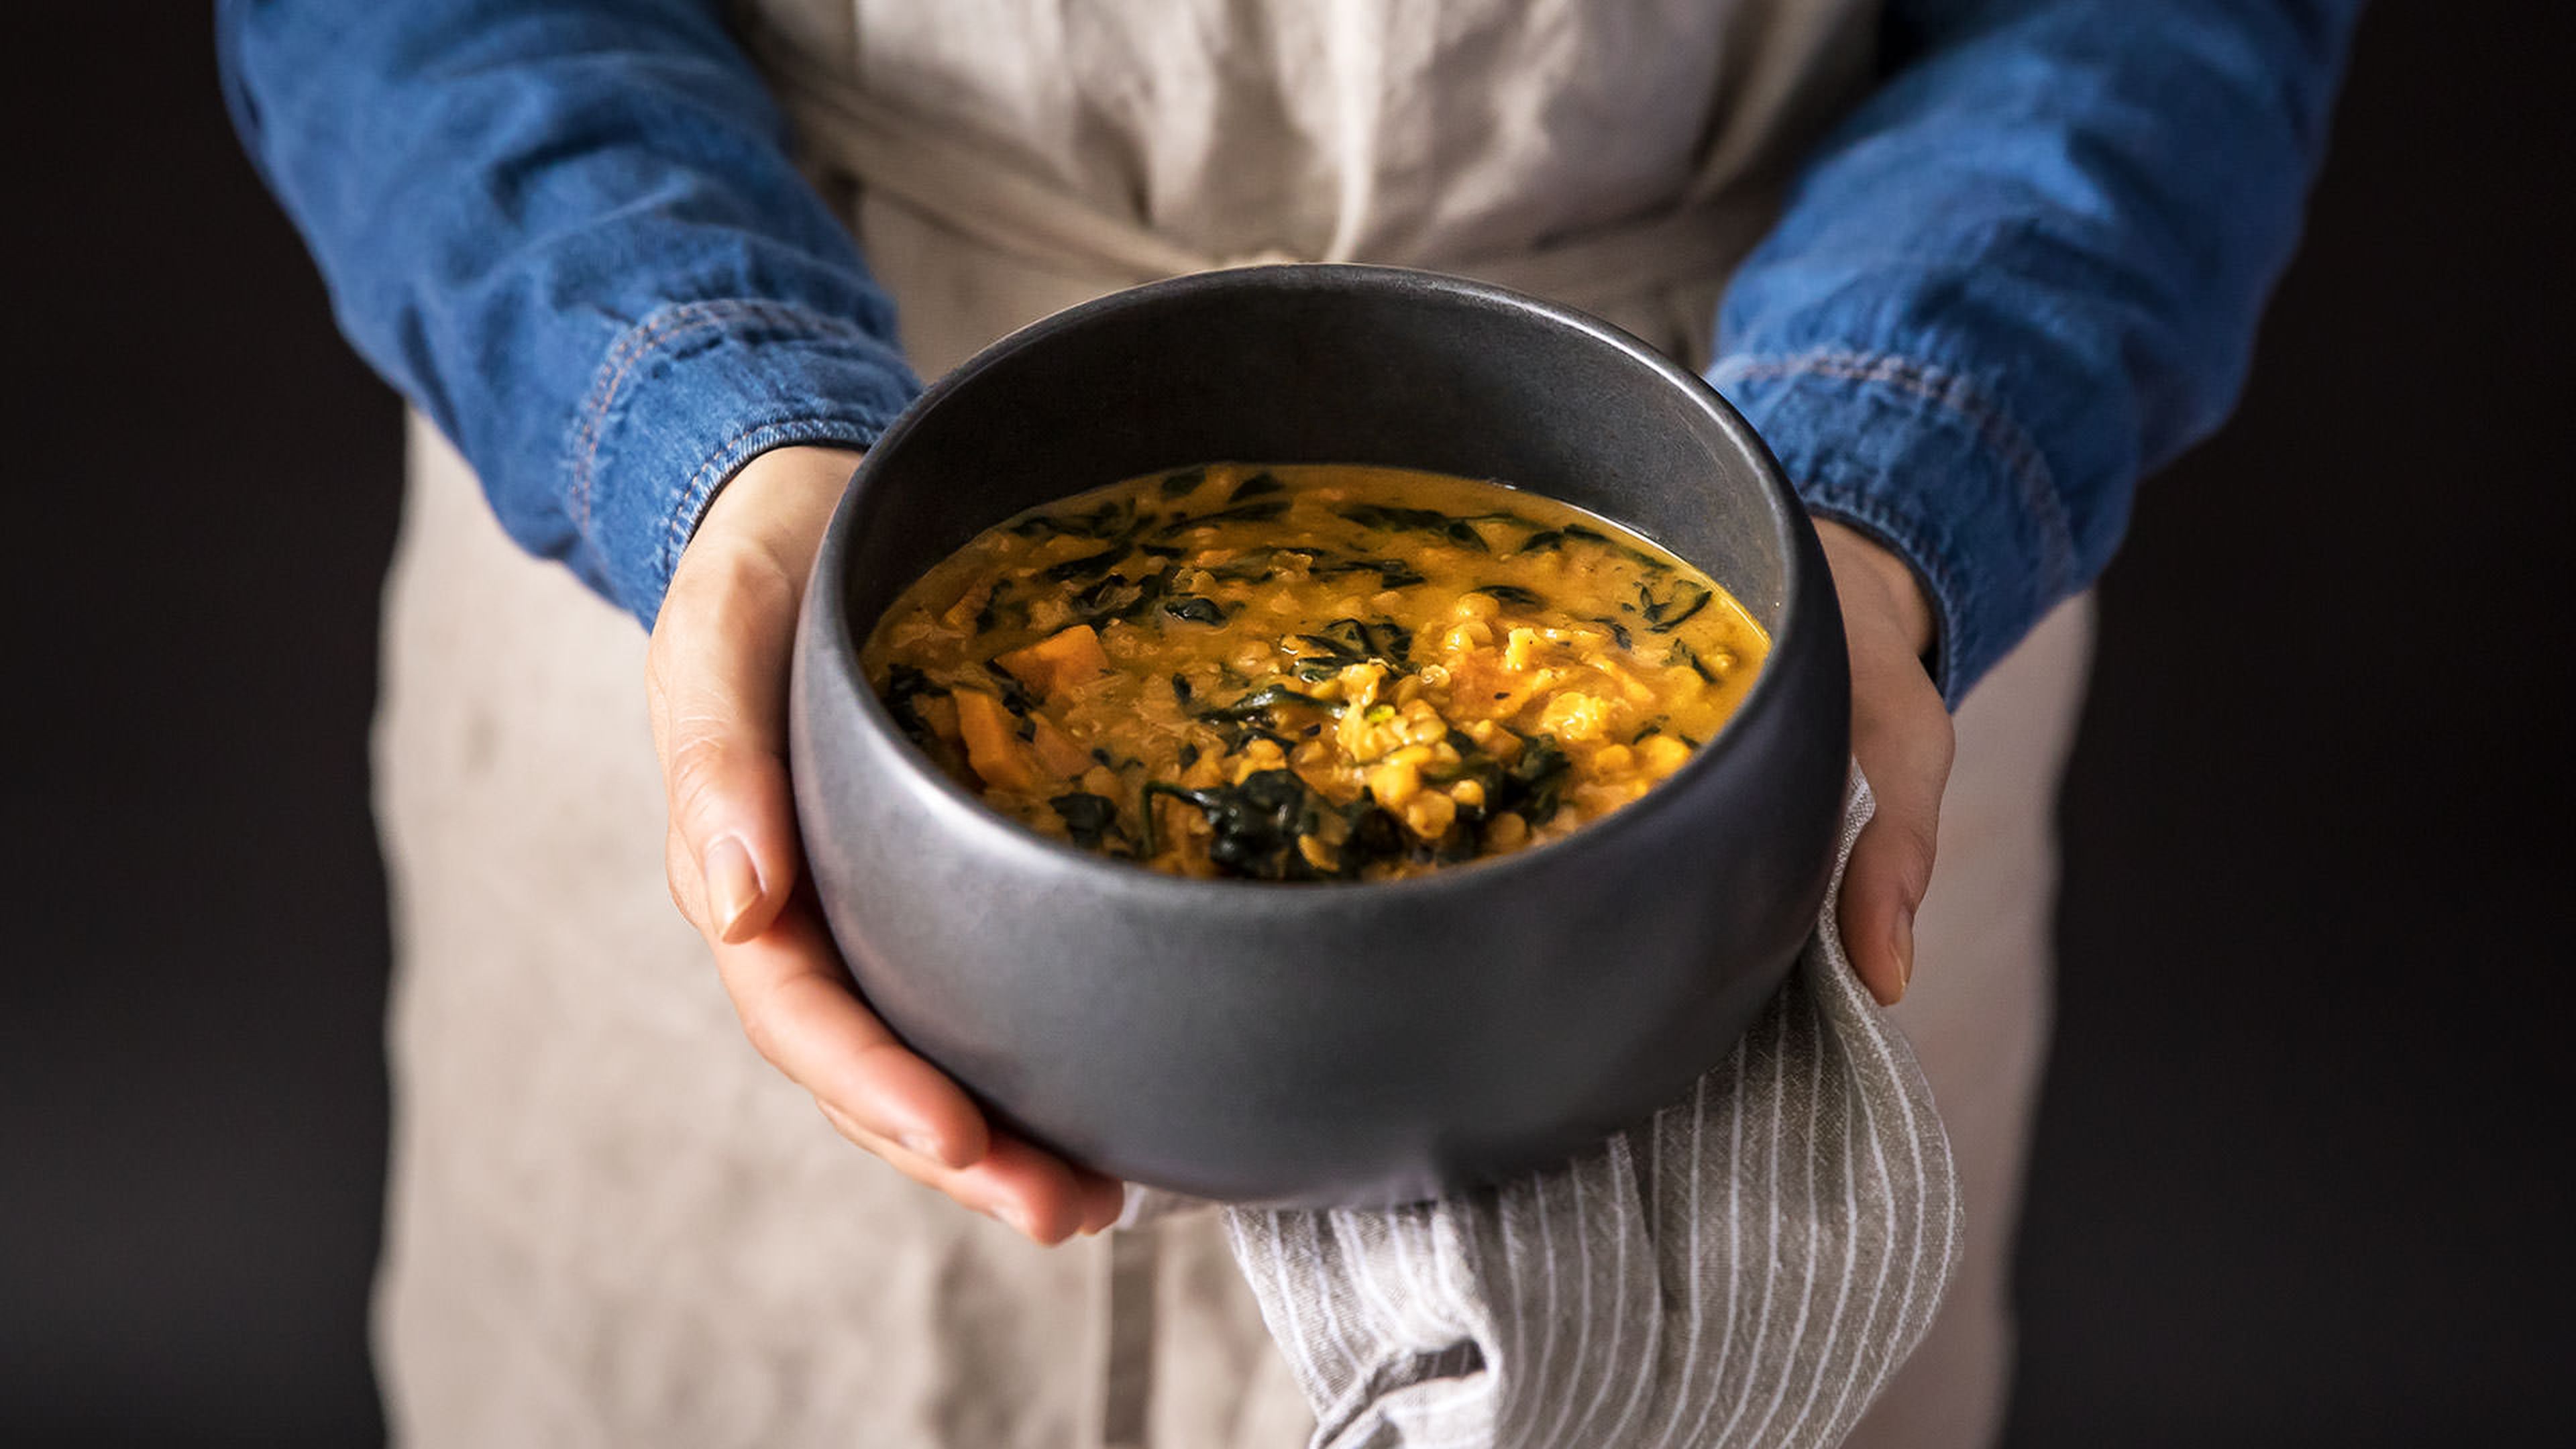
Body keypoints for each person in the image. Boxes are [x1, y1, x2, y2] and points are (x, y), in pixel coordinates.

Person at [222, 1, 2359, 1444]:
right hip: (761, 524)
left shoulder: (1806, 559)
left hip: (1758, 518)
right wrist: (699, 417)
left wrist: (1882, 492)